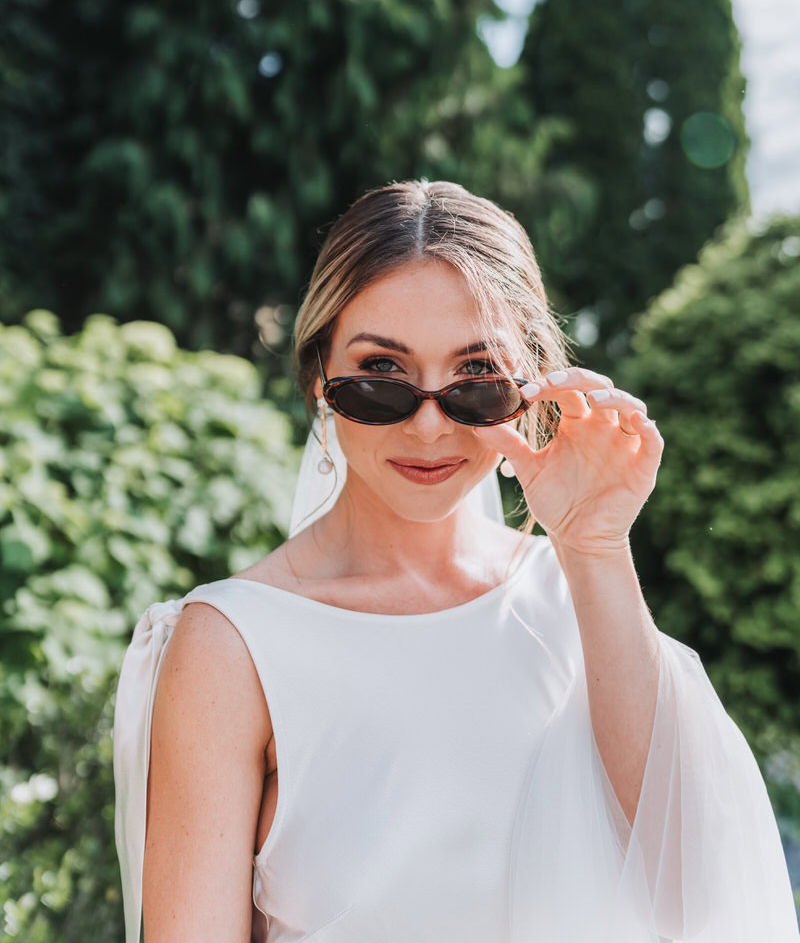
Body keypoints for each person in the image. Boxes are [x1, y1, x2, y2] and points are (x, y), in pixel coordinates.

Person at [113, 179, 799, 943]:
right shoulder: (230, 646)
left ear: (531, 384)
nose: (431, 426)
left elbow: (704, 901)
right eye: (381, 377)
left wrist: (595, 548)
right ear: (318, 379)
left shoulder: (578, 597)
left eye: (476, 379)